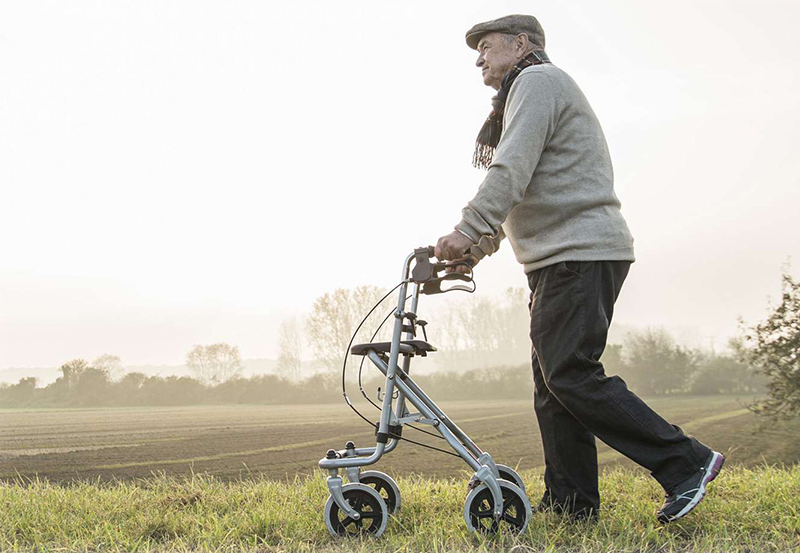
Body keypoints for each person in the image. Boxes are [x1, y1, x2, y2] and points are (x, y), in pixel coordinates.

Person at [433, 14, 724, 523]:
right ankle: (571, 505)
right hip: (563, 257)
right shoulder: (530, 89)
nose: (478, 58)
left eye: (486, 46)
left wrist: (467, 226)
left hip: (579, 253)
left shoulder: (538, 83)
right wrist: (475, 248)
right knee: (554, 386)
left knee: (570, 373)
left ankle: (686, 463)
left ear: (520, 44)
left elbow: (511, 169)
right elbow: (523, 188)